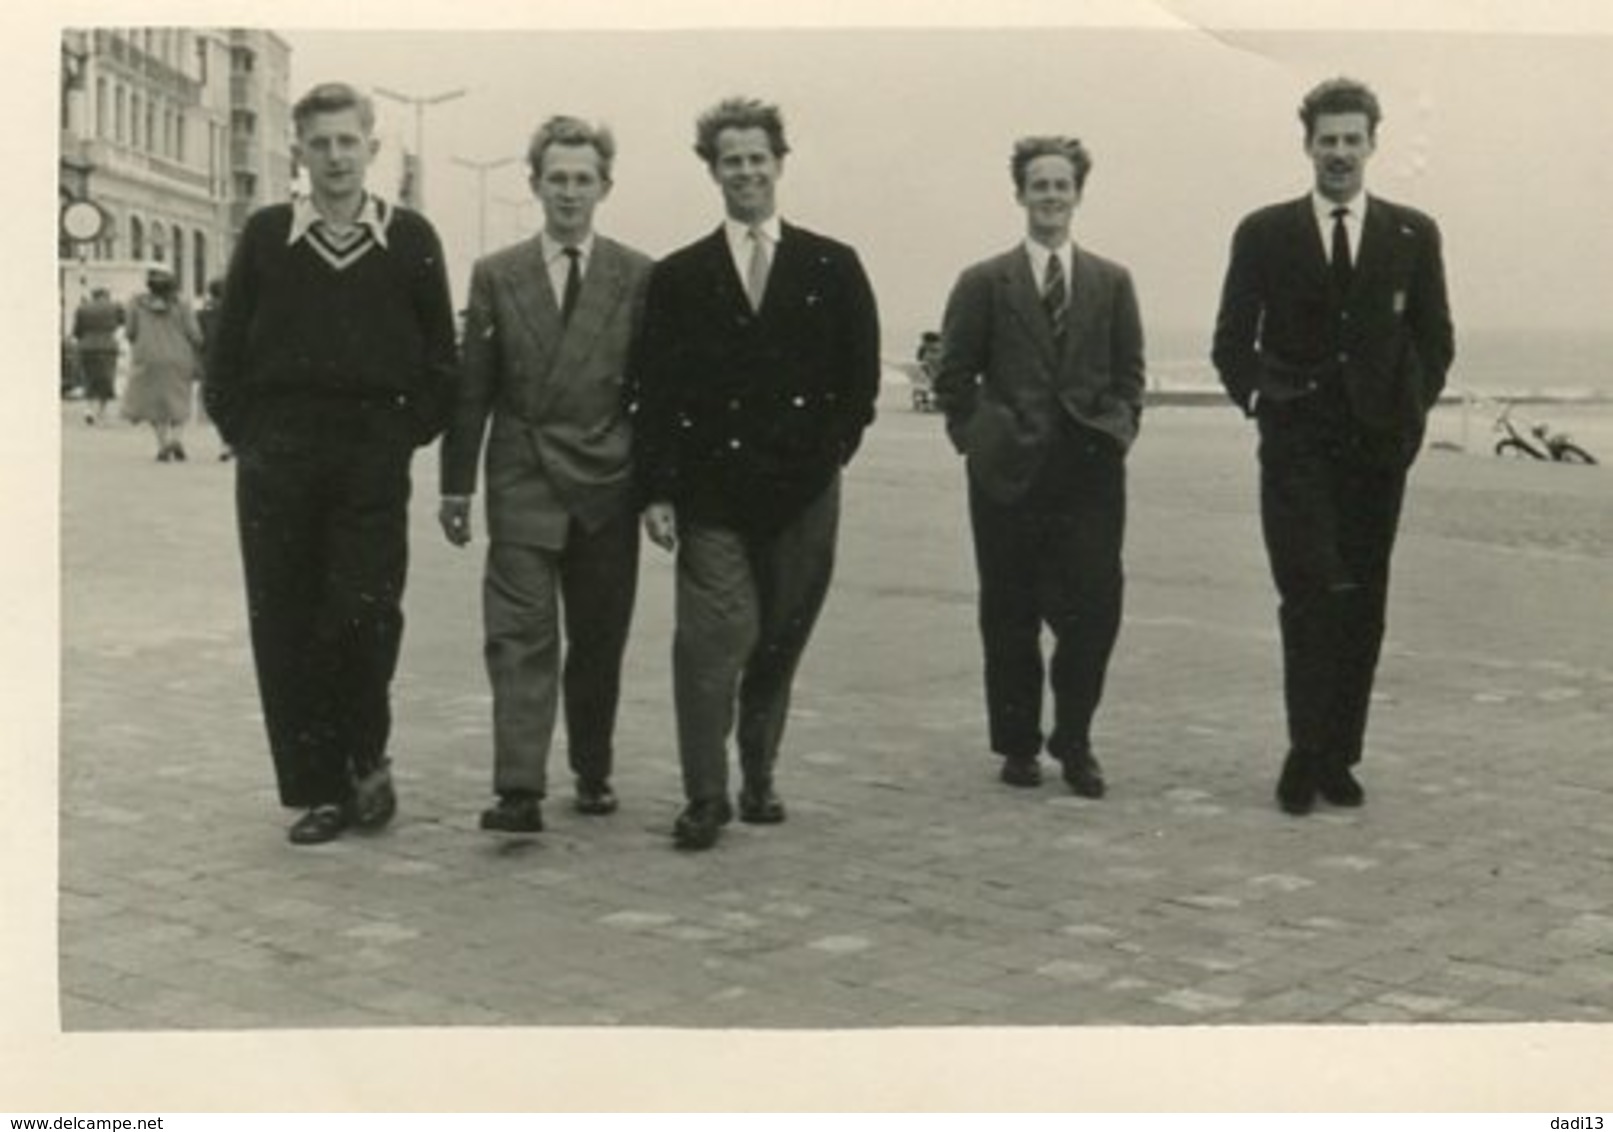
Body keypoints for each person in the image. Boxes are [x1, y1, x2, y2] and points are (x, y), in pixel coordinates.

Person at [204, 82, 458, 845]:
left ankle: (365, 757)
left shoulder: (409, 238)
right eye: (320, 143)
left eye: (349, 142)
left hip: (369, 457)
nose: (336, 157)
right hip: (279, 457)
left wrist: (400, 435)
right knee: (286, 618)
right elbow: (223, 357)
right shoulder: (267, 235)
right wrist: (252, 435)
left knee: (363, 613)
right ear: (299, 152)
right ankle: (318, 789)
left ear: (371, 148)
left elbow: (441, 362)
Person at [628, 96, 881, 851]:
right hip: (711, 497)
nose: (745, 172)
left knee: (778, 640)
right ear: (712, 171)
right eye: (730, 160)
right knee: (710, 644)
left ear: (779, 165)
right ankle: (704, 796)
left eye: (756, 159)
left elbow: (858, 382)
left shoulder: (833, 266)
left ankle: (759, 773)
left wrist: (830, 451)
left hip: (803, 494)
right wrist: (657, 491)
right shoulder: (678, 276)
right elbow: (655, 392)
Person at [1211, 77, 1454, 815]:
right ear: (1307, 146)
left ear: (1373, 144)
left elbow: (1434, 341)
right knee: (1309, 593)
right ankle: (1303, 751)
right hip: (1294, 449)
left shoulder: (1412, 234)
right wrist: (1263, 402)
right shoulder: (1263, 232)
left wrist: (1405, 421)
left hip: (1376, 453)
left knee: (1361, 603)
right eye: (1327, 140)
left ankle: (1338, 754)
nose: (1339, 153)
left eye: (1352, 139)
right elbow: (1230, 342)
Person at [438, 116, 653, 836]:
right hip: (521, 478)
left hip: (606, 484)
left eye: (582, 179)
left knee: (597, 639)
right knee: (519, 636)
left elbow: (650, 395)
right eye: (555, 179)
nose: (568, 193)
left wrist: (656, 492)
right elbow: (473, 388)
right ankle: (519, 789)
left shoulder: (638, 275)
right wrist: (455, 484)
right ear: (533, 184)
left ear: (604, 187)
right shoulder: (497, 274)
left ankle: (592, 769)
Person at [935, 136, 1145, 798]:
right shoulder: (982, 282)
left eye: (1061, 184)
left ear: (1077, 193)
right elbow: (953, 374)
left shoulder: (1111, 282)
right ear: (1019, 194)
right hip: (1006, 473)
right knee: (1009, 611)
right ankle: (1019, 744)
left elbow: (1129, 373)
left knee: (1094, 608)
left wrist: (1116, 431)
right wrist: (975, 438)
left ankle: (1074, 739)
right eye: (1038, 184)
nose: (1050, 195)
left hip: (1088, 471)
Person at [123, 264, 203, 460]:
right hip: (179, 357)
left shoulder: (136, 303)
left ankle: (162, 444)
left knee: (155, 403)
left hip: (148, 357)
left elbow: (130, 332)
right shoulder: (182, 304)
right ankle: (176, 438)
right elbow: (194, 334)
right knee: (179, 399)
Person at [71, 287, 124, 424]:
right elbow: (123, 323)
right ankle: (101, 411)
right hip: (107, 346)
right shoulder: (115, 306)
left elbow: (77, 331)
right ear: (107, 295)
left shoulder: (82, 308)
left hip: (87, 346)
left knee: (89, 378)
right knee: (106, 378)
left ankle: (88, 408)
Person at [195, 278, 233, 461]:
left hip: (210, 361)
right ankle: (229, 441)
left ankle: (225, 441)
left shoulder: (203, 314)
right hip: (236, 361)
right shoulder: (237, 311)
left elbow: (198, 339)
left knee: (217, 400)